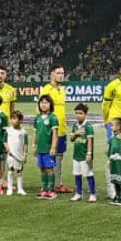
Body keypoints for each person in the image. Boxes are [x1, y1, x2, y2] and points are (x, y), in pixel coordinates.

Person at [40, 65, 73, 193]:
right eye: (58, 73)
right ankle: (47, 185)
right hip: (50, 130)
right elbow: (41, 110)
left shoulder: (61, 90)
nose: (61, 75)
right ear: (52, 74)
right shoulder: (47, 90)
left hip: (62, 129)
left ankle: (58, 184)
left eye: (62, 73)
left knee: (59, 156)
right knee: (49, 157)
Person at [67, 103, 95, 202]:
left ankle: (92, 194)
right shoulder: (75, 126)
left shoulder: (88, 126)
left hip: (84, 155)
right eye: (76, 113)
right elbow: (71, 139)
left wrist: (89, 154)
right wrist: (76, 133)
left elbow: (90, 141)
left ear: (85, 114)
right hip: (76, 155)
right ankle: (78, 193)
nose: (78, 115)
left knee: (89, 174)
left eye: (80, 113)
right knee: (77, 174)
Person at [34, 94, 60, 198]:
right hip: (40, 148)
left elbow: (55, 134)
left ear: (50, 105)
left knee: (49, 169)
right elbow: (35, 133)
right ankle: (44, 189)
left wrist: (53, 147)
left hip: (48, 148)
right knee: (42, 169)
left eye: (46, 102)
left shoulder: (53, 117)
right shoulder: (37, 118)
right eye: (41, 102)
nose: (43, 105)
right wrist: (34, 145)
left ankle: (51, 190)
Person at [106, 117, 121, 206]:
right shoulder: (112, 139)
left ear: (119, 126)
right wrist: (109, 159)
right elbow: (110, 150)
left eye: (112, 125)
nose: (111, 127)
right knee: (115, 179)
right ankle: (117, 195)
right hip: (114, 163)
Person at [5, 110, 28, 196]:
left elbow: (25, 144)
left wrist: (25, 155)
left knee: (19, 172)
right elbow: (4, 141)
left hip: (19, 155)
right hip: (11, 155)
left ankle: (20, 189)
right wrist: (7, 148)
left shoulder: (24, 132)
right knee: (10, 171)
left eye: (14, 118)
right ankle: (9, 188)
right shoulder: (8, 131)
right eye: (11, 118)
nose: (12, 120)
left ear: (20, 120)